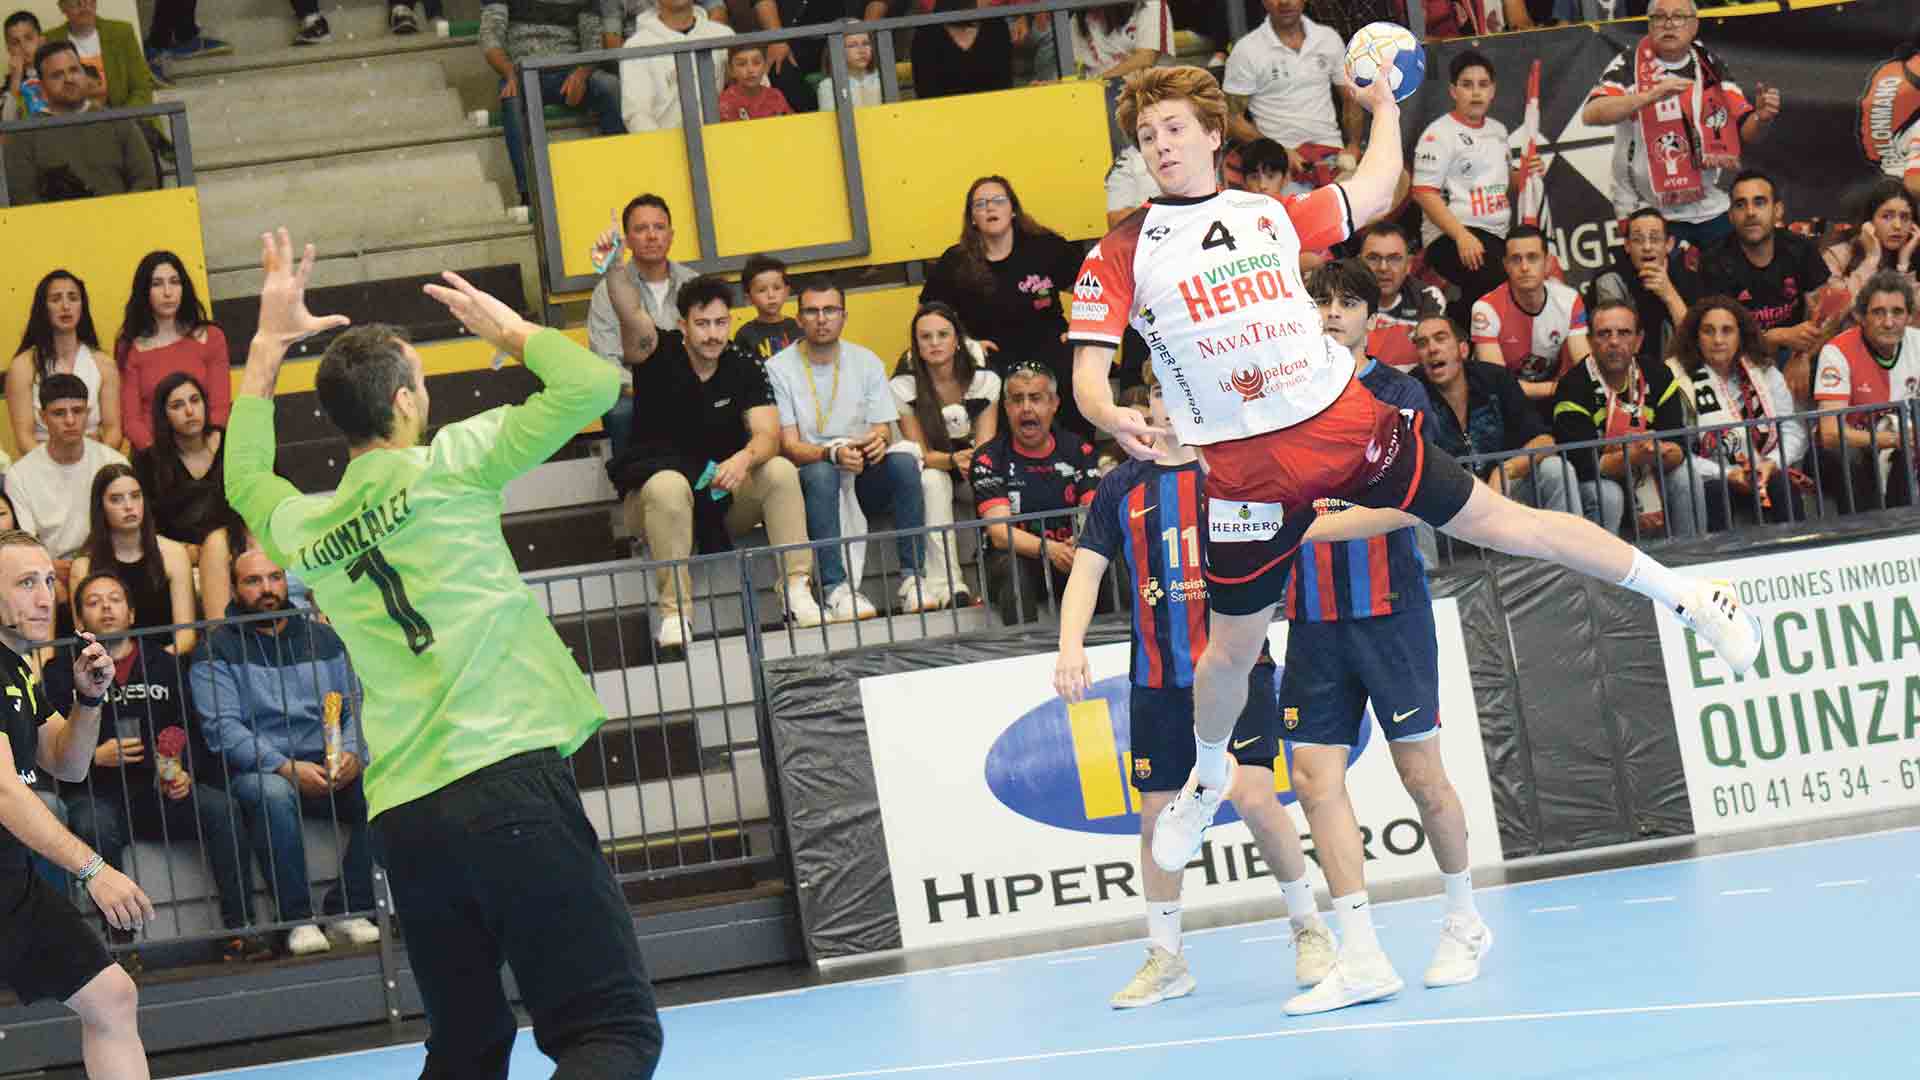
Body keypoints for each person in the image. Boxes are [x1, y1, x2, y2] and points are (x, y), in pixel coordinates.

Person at [1068, 74, 1760, 1009]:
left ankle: (1688, 597)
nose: (1160, 144)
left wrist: (1386, 106)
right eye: (1147, 133)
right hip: (1237, 471)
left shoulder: (1271, 215)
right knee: (1224, 651)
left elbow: (1381, 187)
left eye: (1175, 128)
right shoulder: (1120, 249)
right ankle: (1200, 781)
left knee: (1502, 520)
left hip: (1338, 424)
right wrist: (1115, 416)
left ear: (1212, 135)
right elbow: (1087, 379)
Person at [226, 228, 662, 1075]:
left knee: (468, 1046)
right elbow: (596, 382)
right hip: (504, 774)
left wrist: (266, 346)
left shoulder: (310, 530)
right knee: (610, 1031)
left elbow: (246, 481)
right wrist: (505, 331)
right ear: (403, 405)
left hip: (407, 815)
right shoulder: (451, 465)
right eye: (420, 383)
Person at [1055, 365, 1335, 1009]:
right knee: (1155, 815)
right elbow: (1087, 573)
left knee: (1256, 796)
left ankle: (1309, 929)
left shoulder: (1232, 471)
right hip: (1157, 680)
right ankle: (1166, 956)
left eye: (1178, 392)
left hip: (1237, 669)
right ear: (1145, 404)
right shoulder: (1121, 486)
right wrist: (1070, 646)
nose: (1167, 404)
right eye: (1156, 393)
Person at [1276, 259, 1494, 1014]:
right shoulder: (1280, 395)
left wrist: (1310, 530)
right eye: (1319, 302)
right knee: (1312, 781)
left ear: (1373, 316)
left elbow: (1413, 505)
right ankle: (1361, 953)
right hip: (1310, 619)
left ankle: (1464, 920)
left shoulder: (1399, 395)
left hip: (1389, 609)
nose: (1331, 313)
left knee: (1422, 779)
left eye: (1346, 303)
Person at [0, 529, 154, 1078]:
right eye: (24, 583)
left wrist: (88, 700)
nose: (45, 597)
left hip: (8, 879)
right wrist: (93, 869)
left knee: (111, 997)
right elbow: (4, 791)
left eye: (48, 581)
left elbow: (66, 763)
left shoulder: (18, 666)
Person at [52, 572, 263, 962]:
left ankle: (240, 930)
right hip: (96, 792)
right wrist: (94, 755)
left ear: (131, 612)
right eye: (94, 602)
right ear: (80, 622)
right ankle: (120, 949)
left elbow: (186, 727)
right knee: (94, 825)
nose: (106, 607)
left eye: (114, 599)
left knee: (221, 808)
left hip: (157, 790)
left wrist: (182, 770)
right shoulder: (60, 670)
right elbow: (49, 742)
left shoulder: (163, 664)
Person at [609, 270, 822, 646]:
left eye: (721, 322)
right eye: (702, 323)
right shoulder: (655, 352)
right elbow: (630, 314)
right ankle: (675, 614)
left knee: (779, 470)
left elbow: (768, 435)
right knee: (668, 486)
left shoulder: (744, 364)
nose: (713, 334)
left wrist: (743, 459)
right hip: (654, 500)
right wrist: (613, 270)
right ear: (682, 325)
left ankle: (796, 588)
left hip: (721, 491)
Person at [191, 549, 378, 957]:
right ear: (236, 589)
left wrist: (351, 753)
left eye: (274, 578)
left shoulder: (325, 638)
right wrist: (285, 767)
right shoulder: (214, 649)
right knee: (272, 795)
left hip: (329, 761)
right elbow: (223, 729)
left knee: (384, 784)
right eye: (253, 581)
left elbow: (357, 703)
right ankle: (297, 920)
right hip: (262, 769)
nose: (267, 589)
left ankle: (349, 907)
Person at [769, 280, 931, 621]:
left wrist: (875, 443)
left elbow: (883, 428)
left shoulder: (866, 360)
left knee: (903, 462)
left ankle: (913, 580)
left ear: (844, 316)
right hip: (815, 477)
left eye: (830, 310)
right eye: (812, 311)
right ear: (798, 319)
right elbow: (789, 444)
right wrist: (831, 454)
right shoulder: (778, 368)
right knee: (821, 471)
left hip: (862, 469)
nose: (821, 319)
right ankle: (834, 588)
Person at [1579, 0, 1781, 249]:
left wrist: (1762, 117)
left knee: (1736, 273)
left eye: (1678, 17)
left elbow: (1747, 131)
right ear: (1650, 25)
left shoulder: (1709, 64)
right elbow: (1591, 113)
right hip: (1649, 212)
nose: (1669, 24)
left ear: (1694, 26)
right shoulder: (1629, 64)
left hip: (1707, 205)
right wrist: (1648, 96)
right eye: (1660, 17)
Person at [920, 175, 1089, 439]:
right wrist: (964, 343)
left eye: (998, 200)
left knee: (1071, 370)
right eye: (980, 204)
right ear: (972, 218)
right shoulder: (956, 260)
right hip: (990, 353)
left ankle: (1080, 458)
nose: (990, 208)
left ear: (1013, 210)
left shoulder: (1044, 246)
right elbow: (930, 314)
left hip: (1049, 343)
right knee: (987, 382)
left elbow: (1091, 287)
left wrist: (1082, 327)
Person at [1553, 300, 1708, 537]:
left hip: (1651, 466)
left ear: (1638, 341)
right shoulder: (1572, 386)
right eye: (1604, 334)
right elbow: (1583, 463)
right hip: (1596, 479)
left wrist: (1657, 451)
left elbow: (1678, 445)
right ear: (1590, 342)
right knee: (1608, 495)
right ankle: (1602, 572)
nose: (1614, 341)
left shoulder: (1658, 375)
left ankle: (1694, 560)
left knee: (1686, 476)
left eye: (1624, 333)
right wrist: (1633, 455)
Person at [1414, 312, 1583, 518]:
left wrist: (1504, 471)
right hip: (1449, 508)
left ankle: (1569, 549)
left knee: (1556, 469)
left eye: (1440, 338)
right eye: (1422, 343)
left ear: (1463, 349)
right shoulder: (1410, 391)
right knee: (1411, 506)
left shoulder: (1495, 379)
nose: (1432, 349)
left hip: (1505, 495)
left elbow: (1544, 440)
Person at [968, 362, 1096, 625]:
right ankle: (1023, 652)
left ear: (1054, 403)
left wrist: (1081, 544)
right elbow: (1000, 533)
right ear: (1006, 407)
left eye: (1035, 398)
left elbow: (1096, 512)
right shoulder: (989, 458)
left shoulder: (1078, 449)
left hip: (1070, 557)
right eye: (1017, 400)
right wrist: (1050, 549)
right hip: (1014, 565)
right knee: (1012, 566)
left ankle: (1116, 645)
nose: (1026, 408)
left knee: (1104, 556)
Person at [892, 303, 1000, 611]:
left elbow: (986, 444)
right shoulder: (903, 386)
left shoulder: (985, 381)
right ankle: (948, 585)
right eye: (925, 337)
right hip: (936, 465)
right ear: (916, 344)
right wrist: (953, 461)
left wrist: (973, 463)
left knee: (991, 475)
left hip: (973, 467)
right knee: (931, 481)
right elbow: (920, 455)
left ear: (957, 340)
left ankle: (1003, 575)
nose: (935, 343)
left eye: (943, 335)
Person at [1700, 170, 1840, 402]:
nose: (1751, 212)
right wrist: (1777, 336)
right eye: (1741, 205)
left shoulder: (1801, 249)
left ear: (1778, 210)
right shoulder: (1714, 262)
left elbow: (1829, 315)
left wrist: (1802, 356)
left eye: (1760, 202)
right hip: (1738, 359)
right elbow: (1717, 342)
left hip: (1797, 352)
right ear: (1731, 215)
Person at [1667, 297, 1805, 529]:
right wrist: (1727, 474)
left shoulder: (1764, 372)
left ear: (1741, 335)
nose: (1718, 340)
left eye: (1727, 331)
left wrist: (1772, 463)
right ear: (1695, 337)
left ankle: (1801, 555)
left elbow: (1791, 430)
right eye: (1708, 331)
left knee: (1781, 483)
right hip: (1711, 476)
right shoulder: (1675, 378)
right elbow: (1678, 451)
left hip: (1763, 470)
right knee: (1714, 491)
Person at [1412, 50, 1525, 329]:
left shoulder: (1498, 130)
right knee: (1495, 283)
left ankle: (1462, 331)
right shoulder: (1438, 134)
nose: (1476, 93)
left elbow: (1507, 182)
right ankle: (1459, 330)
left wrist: (1529, 174)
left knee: (1527, 277)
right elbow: (1423, 193)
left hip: (1496, 235)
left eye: (1483, 84)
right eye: (1467, 84)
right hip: (1452, 236)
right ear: (1453, 90)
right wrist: (1461, 236)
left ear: (1493, 90)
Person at [481, 0, 625, 206]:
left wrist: (583, 71)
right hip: (523, 70)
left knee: (609, 85)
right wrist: (510, 72)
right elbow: (490, 38)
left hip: (570, 70)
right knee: (511, 94)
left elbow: (592, 38)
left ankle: (624, 173)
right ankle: (529, 194)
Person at [588, 195, 700, 457]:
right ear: (626, 239)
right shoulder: (607, 291)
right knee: (621, 411)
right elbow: (607, 364)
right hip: (634, 391)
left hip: (690, 383)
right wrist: (652, 390)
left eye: (659, 228)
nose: (651, 236)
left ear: (671, 235)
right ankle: (634, 487)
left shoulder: (694, 284)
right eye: (641, 229)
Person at [1222, 0, 1358, 198]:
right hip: (1277, 167)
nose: (1284, 2)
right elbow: (1232, 119)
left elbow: (1351, 97)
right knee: (1299, 219)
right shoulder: (1246, 50)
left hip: (1334, 155)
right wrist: (1279, 151)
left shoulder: (1328, 39)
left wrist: (1353, 145)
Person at [1813, 270, 1920, 513]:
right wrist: (1892, 440)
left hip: (1897, 442)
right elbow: (1830, 433)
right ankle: (1865, 538)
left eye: (1897, 312)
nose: (1889, 322)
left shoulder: (1918, 343)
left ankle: (1906, 533)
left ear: (1909, 317)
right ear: (1861, 316)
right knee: (1850, 457)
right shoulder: (1837, 351)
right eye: (1878, 312)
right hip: (1845, 449)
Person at [2, 41, 157, 204]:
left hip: (122, 223)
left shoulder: (119, 123)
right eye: (57, 75)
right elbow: (22, 197)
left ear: (84, 73)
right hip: (56, 227)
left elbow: (145, 182)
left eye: (74, 70)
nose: (69, 79)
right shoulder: (23, 136)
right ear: (41, 88)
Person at [69, 465, 199, 655]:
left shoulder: (174, 554)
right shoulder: (84, 566)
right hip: (108, 669)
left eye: (136, 496)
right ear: (101, 508)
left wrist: (152, 666)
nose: (129, 506)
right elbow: (84, 638)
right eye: (116, 499)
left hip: (167, 661)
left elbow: (186, 636)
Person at [9, 374, 131, 566]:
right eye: (58, 413)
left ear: (88, 412)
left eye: (77, 411)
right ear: (42, 417)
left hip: (108, 562)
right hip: (48, 568)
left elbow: (130, 531)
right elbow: (25, 543)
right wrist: (50, 566)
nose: (70, 420)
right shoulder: (19, 475)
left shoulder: (114, 462)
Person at [116, 250, 231, 454]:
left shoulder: (211, 337)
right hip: (154, 457)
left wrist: (206, 452)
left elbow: (219, 408)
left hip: (207, 451)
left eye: (174, 282)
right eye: (157, 284)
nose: (168, 292)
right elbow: (131, 421)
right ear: (144, 291)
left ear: (183, 287)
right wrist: (161, 459)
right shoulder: (129, 347)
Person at [1470, 225, 1593, 407]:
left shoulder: (1569, 299)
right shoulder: (1485, 309)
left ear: (1548, 263)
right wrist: (1558, 389)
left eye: (1533, 257)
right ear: (1505, 265)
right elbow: (1498, 385)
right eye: (1516, 259)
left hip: (1555, 393)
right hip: (1506, 402)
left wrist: (1571, 389)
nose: (1525, 267)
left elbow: (1585, 364)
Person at [8, 268, 119, 455]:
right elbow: (24, 438)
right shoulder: (23, 366)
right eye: (56, 299)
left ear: (82, 306)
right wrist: (54, 470)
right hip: (42, 468)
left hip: (95, 467)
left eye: (73, 298)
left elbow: (113, 430)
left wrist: (95, 467)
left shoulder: (104, 364)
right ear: (43, 307)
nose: (66, 306)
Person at [1587, 207, 1700, 371]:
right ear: (1627, 245)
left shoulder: (1689, 279)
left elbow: (1697, 341)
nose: (1647, 247)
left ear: (1669, 244)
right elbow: (1615, 343)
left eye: (1654, 239)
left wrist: (1669, 294)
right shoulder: (1610, 280)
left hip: (1679, 371)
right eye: (1638, 240)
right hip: (1628, 371)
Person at [134, 372, 227, 550]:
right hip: (179, 557)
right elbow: (145, 526)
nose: (189, 411)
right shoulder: (148, 463)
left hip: (236, 549)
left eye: (195, 400)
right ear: (163, 415)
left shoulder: (233, 445)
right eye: (177, 406)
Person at [751, 0, 888, 116]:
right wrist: (777, 39)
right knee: (780, 69)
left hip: (848, 34)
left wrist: (864, 36)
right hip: (790, 41)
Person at [618, 0, 731, 133]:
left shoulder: (723, 35)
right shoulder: (636, 46)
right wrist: (664, 149)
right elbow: (636, 115)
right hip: (664, 146)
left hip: (721, 141)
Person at [1819, 179, 1920, 313]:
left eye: (1905, 217)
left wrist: (1903, 266)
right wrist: (1871, 260)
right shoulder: (1838, 255)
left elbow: (1911, 320)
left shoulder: (1911, 255)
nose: (1898, 225)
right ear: (1868, 221)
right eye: (1887, 216)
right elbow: (1831, 315)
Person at [1360, 224, 1446, 373]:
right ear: (1359, 263)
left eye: (1394, 259)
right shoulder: (1342, 301)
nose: (1383, 268)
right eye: (1373, 258)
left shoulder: (1427, 296)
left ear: (1408, 265)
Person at [46, 0, 153, 113]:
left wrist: (121, 120)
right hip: (75, 123)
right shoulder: (50, 40)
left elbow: (142, 88)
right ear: (62, 6)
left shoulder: (122, 33)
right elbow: (49, 96)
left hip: (128, 118)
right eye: (75, 1)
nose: (83, 4)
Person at [910, 0, 1012, 101]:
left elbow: (1004, 86)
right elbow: (926, 95)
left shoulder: (997, 27)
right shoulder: (925, 36)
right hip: (944, 114)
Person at [1069, 1, 1171, 82]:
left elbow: (1146, 58)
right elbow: (1076, 67)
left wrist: (1097, 83)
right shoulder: (1078, 17)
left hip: (1145, 94)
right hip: (1095, 96)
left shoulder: (1150, 4)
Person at [733, 254, 803, 364]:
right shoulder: (745, 335)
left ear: (787, 291)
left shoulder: (799, 327)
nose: (771, 295)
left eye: (777, 288)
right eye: (762, 290)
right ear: (749, 298)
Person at [717, 42, 793, 120]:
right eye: (741, 64)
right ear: (731, 70)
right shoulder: (726, 102)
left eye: (756, 63)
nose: (750, 70)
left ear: (765, 66)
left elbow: (789, 125)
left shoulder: (776, 96)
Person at [3, 11, 49, 121]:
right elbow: (7, 122)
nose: (23, 46)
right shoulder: (9, 87)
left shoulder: (57, 72)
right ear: (9, 50)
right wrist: (16, 78)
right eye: (15, 43)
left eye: (28, 38)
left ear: (42, 41)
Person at [817, 30, 879, 110]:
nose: (862, 51)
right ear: (837, 50)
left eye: (866, 43)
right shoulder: (828, 86)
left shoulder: (882, 78)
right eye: (852, 45)